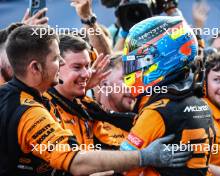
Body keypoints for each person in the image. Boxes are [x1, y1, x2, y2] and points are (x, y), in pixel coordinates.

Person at [0, 24, 192, 176]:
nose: (62, 63)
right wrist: (144, 157)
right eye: (57, 59)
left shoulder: (9, 95)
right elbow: (77, 162)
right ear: (35, 68)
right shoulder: (31, 113)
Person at [120, 16, 214, 176]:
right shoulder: (201, 103)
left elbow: (123, 169)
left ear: (165, 58)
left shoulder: (157, 111)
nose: (131, 69)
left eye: (137, 62)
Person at [93, 53, 137, 149]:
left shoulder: (143, 121)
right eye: (126, 79)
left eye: (137, 80)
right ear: (104, 84)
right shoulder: (88, 123)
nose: (134, 87)